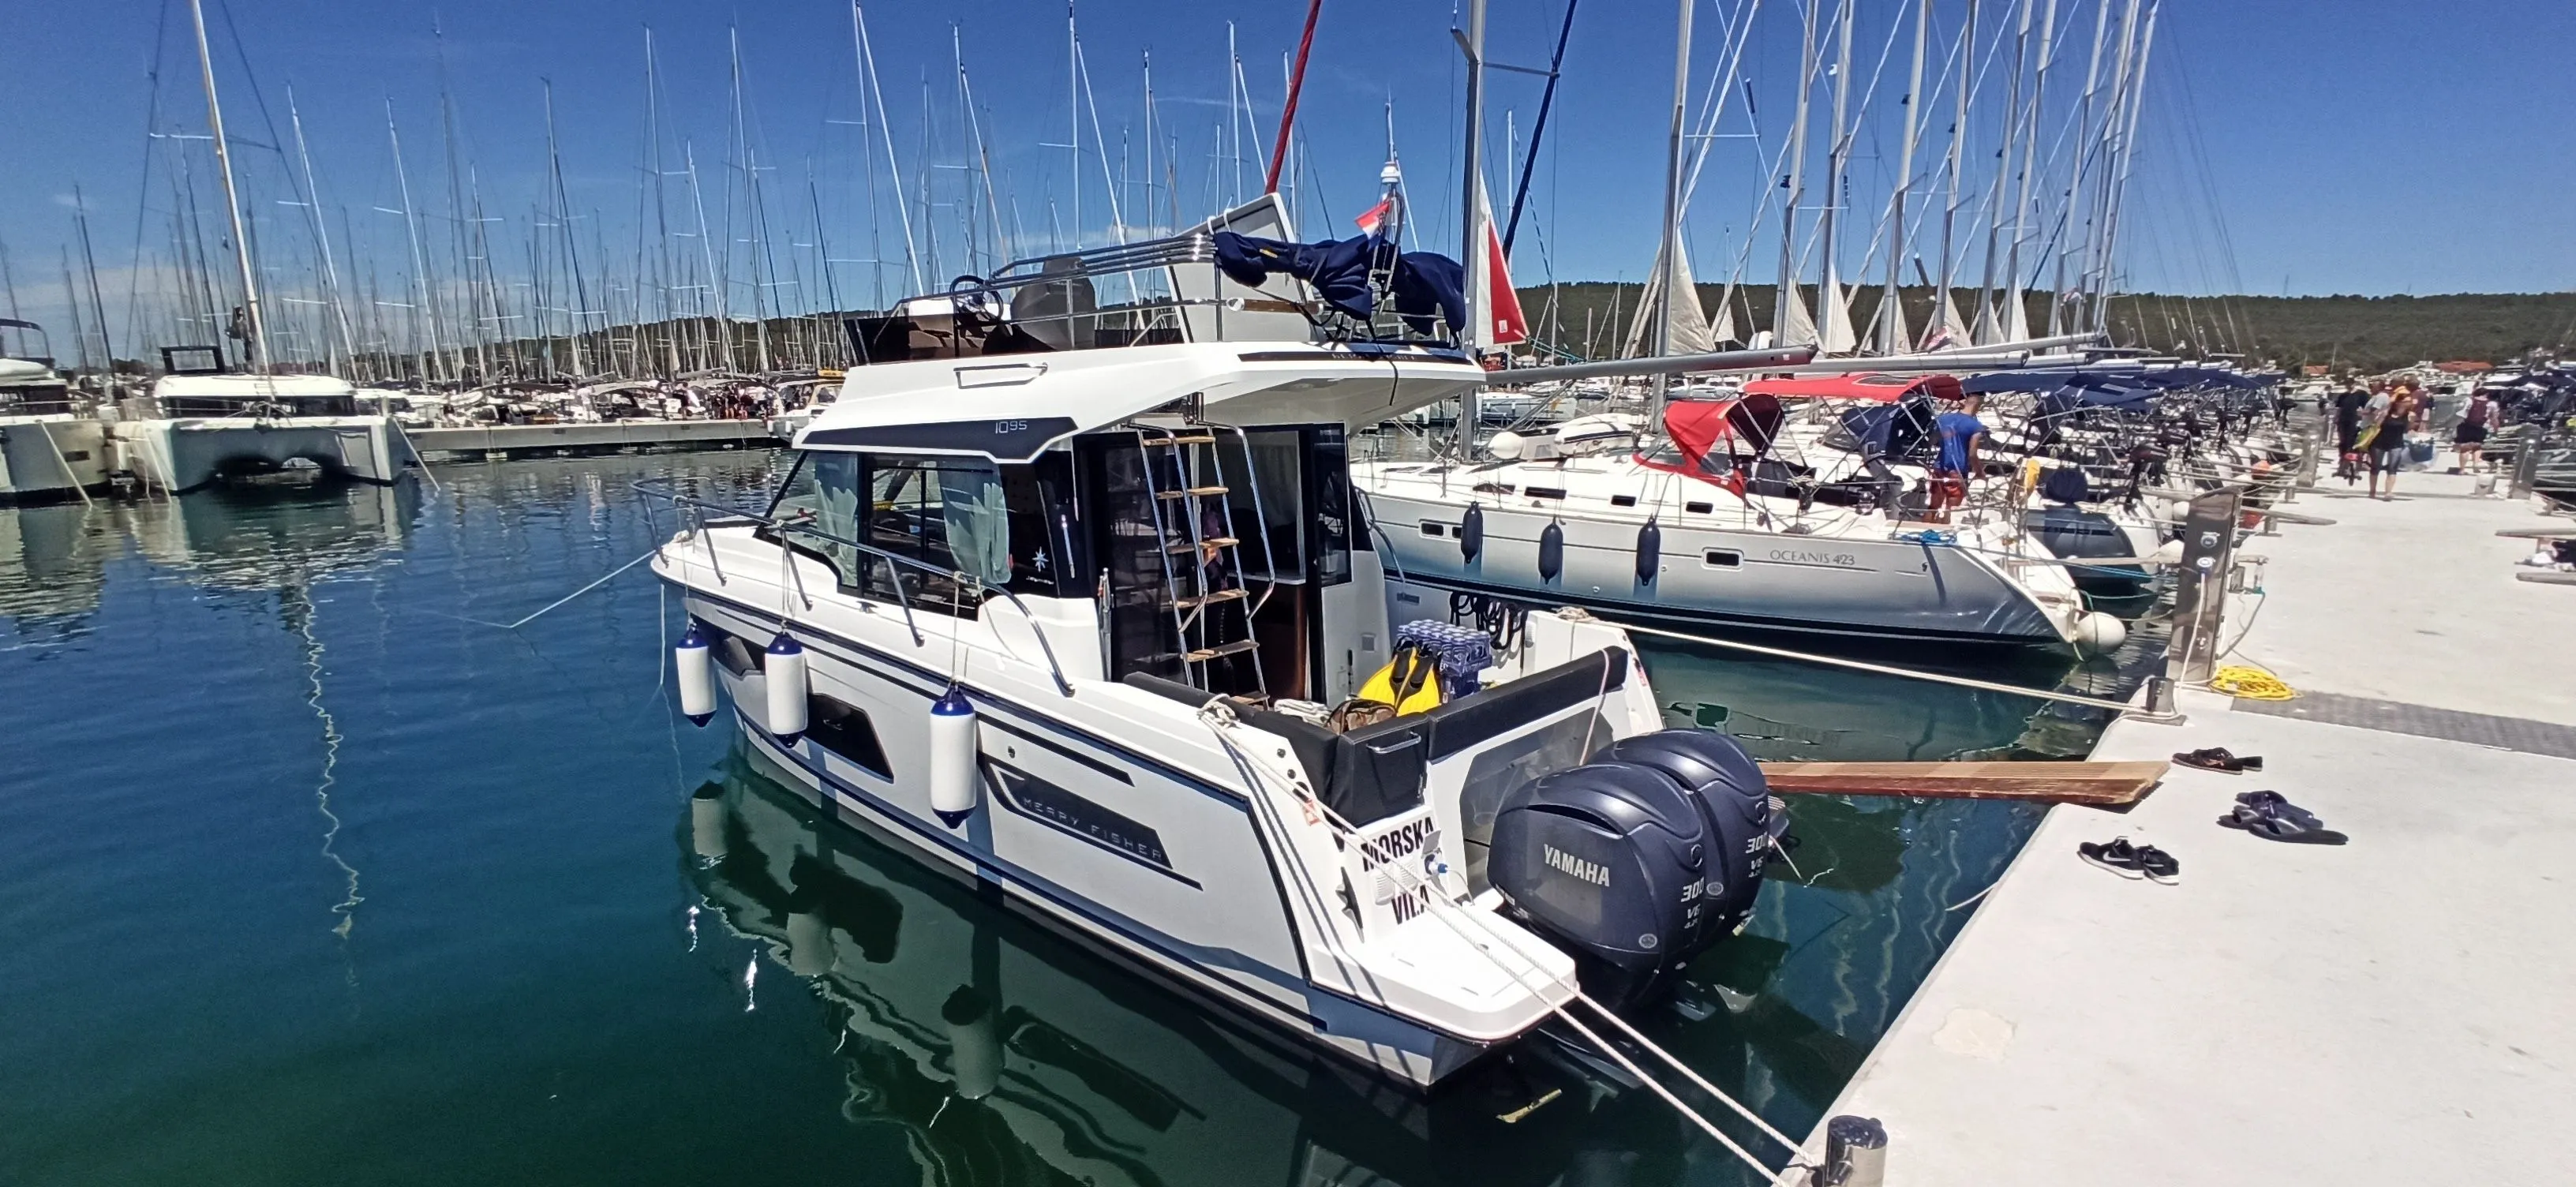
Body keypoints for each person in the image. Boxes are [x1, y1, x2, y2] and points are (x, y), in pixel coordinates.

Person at [1930, 394, 1987, 523]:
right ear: (1978, 406)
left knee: (1933, 507)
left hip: (1939, 467)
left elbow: (1932, 441)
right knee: (1951, 509)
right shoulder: (1976, 426)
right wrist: (1979, 472)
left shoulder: (1943, 419)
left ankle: (1926, 528)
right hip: (1958, 470)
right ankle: (1944, 532)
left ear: (1965, 403)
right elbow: (1972, 454)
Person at [2366, 384, 2417, 500]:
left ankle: (2388, 493)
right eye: (2406, 401)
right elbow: (2376, 426)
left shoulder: (2410, 416)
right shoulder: (2386, 413)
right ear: (2398, 403)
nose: (2409, 403)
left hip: (2396, 443)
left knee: (2393, 468)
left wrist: (2415, 437)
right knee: (2375, 467)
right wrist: (2381, 416)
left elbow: (2409, 431)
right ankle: (2372, 491)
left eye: (2409, 401)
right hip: (2379, 442)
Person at [2331, 380, 2371, 484]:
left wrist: (2363, 416)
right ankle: (2342, 464)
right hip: (2343, 421)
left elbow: (2368, 408)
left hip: (2356, 421)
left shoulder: (2362, 395)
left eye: (2351, 383)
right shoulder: (2343, 396)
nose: (2349, 385)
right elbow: (2339, 409)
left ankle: (2356, 467)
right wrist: (2336, 419)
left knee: (2355, 444)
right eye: (2347, 383)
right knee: (2343, 443)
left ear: (2354, 384)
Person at [2453, 389, 2495, 473]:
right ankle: (2475, 464)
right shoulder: (2491, 404)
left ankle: (2462, 469)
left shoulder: (2469, 400)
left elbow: (2459, 411)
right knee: (2477, 447)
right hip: (2481, 427)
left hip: (2467, 426)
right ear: (2486, 394)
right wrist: (2494, 428)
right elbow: (2493, 417)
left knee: (2465, 448)